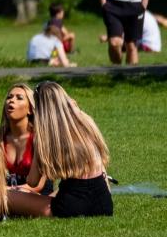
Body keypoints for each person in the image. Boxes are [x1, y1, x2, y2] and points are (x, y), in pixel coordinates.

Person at [7, 82, 113, 218]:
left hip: (70, 205)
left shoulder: (45, 136)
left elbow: (33, 181)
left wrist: (14, 187)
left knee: (7, 196)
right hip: (103, 203)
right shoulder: (85, 121)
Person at [0, 83, 50, 193]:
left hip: (37, 198)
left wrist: (4, 191)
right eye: (9, 97)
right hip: (5, 198)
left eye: (19, 98)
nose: (12, 100)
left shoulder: (40, 138)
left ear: (30, 109)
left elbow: (38, 186)